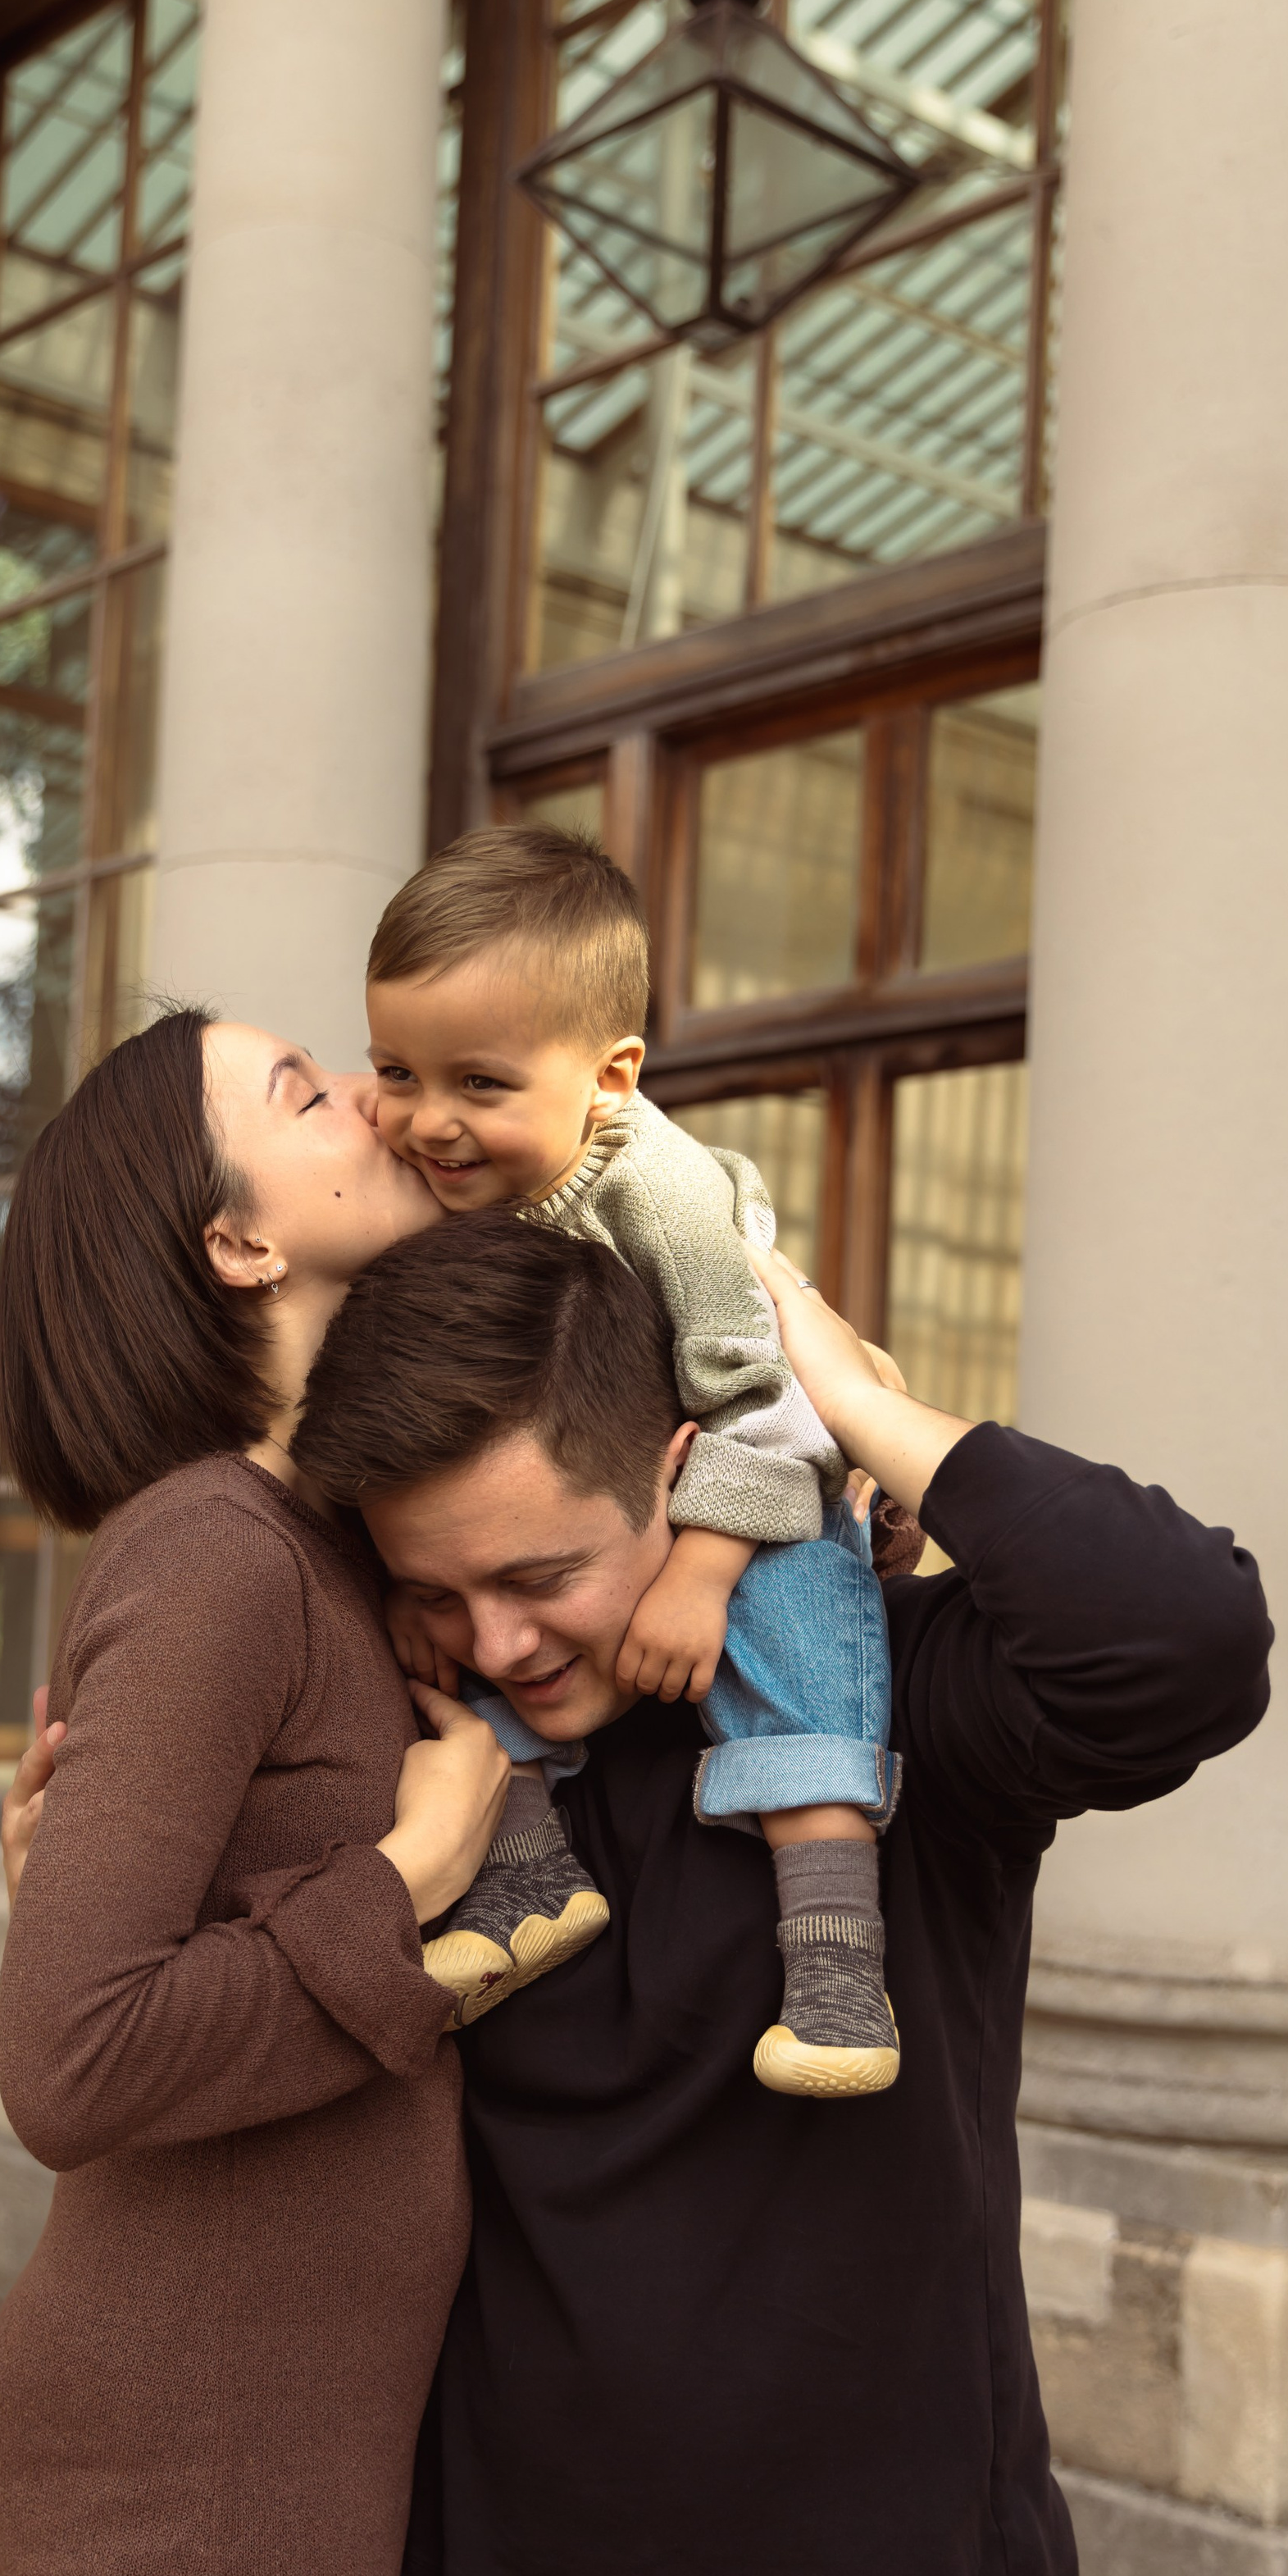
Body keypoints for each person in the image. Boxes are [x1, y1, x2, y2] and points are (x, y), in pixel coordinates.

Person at [281, 1210, 1272, 2576]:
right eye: (434, 1590)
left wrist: (821, 1394)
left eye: (539, 1574)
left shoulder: (889, 1701)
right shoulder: (436, 1761)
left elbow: (1183, 1633)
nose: (496, 1642)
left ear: (676, 1474)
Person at [0, 1004, 515, 2576]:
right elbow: (71, 2057)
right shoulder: (213, 1549)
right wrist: (407, 1869)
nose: (366, 1100)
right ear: (236, 1245)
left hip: (312, 2428)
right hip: (191, 2446)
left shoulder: (338, 1530)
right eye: (301, 1094)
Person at [365, 826, 900, 2098]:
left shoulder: (659, 1198)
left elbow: (774, 1406)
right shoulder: (460, 1171)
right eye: (395, 1069)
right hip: (624, 1481)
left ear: (611, 1077)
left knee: (805, 1647)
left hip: (756, 1468)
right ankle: (529, 1884)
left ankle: (838, 1969)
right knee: (485, 1642)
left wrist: (703, 1575)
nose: (427, 1122)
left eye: (478, 1085)